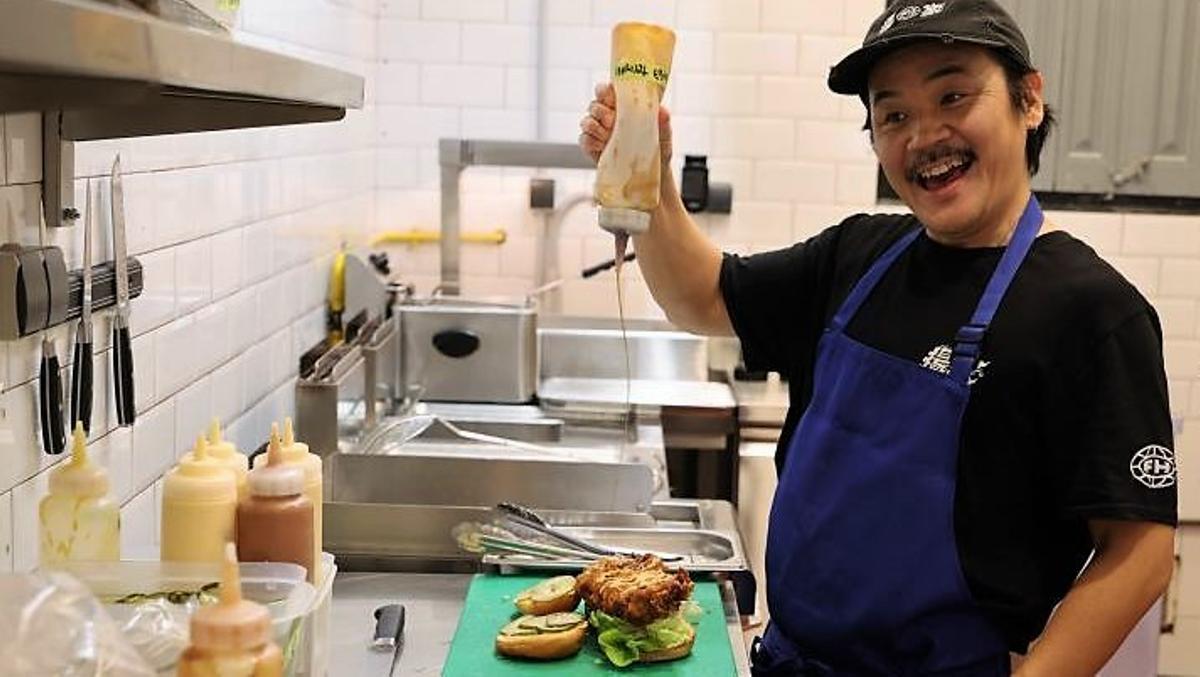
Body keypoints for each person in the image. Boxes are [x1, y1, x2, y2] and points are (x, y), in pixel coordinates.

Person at [578, 1, 1177, 675]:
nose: (923, 135)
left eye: (953, 95)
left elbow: (1140, 550)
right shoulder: (860, 255)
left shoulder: (1091, 310)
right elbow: (702, 294)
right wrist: (648, 178)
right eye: (893, 115)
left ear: (1028, 99)